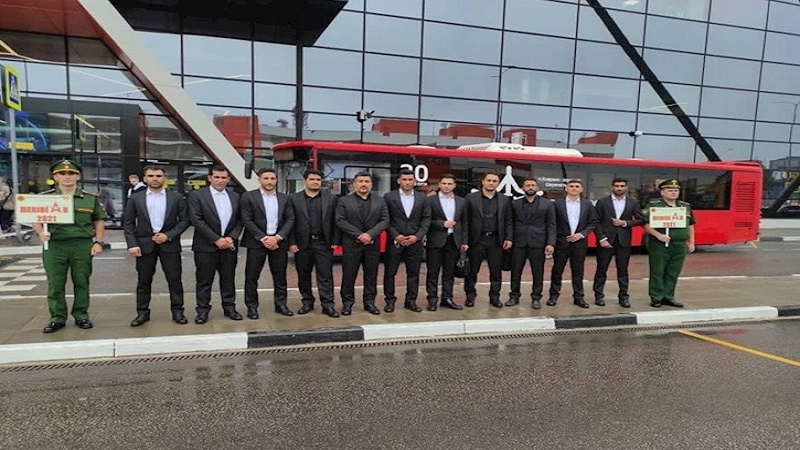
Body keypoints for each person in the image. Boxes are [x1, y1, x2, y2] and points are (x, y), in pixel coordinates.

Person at [32, 159, 107, 333]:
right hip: (55, 245)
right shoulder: (45, 198)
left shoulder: (90, 198)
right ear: (55, 177)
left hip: (81, 244)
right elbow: (35, 219)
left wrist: (98, 242)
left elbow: (99, 220)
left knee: (81, 281)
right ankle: (57, 318)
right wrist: (40, 232)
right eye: (62, 173)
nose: (67, 177)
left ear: (78, 176)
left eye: (72, 173)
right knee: (55, 283)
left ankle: (81, 315)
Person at [123, 165, 191, 326]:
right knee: (144, 281)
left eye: (158, 176)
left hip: (170, 245)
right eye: (151, 176)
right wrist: (132, 244)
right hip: (144, 245)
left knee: (174, 280)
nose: (155, 179)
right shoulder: (136, 198)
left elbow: (185, 220)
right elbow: (128, 222)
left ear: (164, 178)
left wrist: (169, 235)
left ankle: (178, 311)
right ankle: (142, 313)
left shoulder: (175, 197)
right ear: (145, 178)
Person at [188, 165, 243, 324]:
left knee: (228, 279)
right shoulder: (197, 195)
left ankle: (229, 308)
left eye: (223, 178)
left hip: (229, 246)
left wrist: (231, 237)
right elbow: (196, 220)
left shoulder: (235, 196)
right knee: (204, 280)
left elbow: (240, 220)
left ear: (228, 179)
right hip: (205, 246)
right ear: (210, 178)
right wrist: (216, 239)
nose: (220, 180)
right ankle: (202, 311)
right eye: (217, 177)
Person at [240, 167, 295, 319]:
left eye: (272, 178)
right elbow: (246, 219)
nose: (269, 182)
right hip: (256, 242)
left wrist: (277, 237)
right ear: (259, 180)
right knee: (252, 276)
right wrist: (264, 238)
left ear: (276, 180)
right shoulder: (248, 196)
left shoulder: (285, 198)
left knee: (280, 276)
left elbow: (290, 219)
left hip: (278, 242)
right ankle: (252, 307)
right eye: (266, 178)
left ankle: (281, 304)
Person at [288, 169, 341, 318]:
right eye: (312, 179)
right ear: (305, 181)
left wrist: (336, 241)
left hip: (323, 243)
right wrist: (291, 242)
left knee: (325, 275)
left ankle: (328, 305)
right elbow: (290, 221)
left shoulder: (331, 198)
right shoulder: (293, 198)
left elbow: (336, 221)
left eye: (318, 180)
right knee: (303, 275)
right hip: (302, 244)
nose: (315, 182)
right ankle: (307, 302)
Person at [335, 171, 389, 316]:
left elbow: (385, 220)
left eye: (367, 181)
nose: (364, 184)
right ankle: (347, 304)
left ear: (371, 184)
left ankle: (369, 303)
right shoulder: (343, 201)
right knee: (349, 275)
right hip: (351, 244)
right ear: (354, 184)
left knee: (371, 275)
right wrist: (359, 235)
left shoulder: (380, 201)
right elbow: (340, 220)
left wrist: (370, 234)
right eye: (360, 181)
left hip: (372, 244)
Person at [382, 169, 431, 313]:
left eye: (410, 180)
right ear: (399, 181)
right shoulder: (389, 197)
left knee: (413, 274)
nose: (407, 182)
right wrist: (395, 235)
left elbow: (426, 219)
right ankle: (389, 301)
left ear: (415, 181)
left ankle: (411, 301)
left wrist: (417, 236)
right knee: (390, 273)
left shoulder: (422, 198)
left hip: (415, 241)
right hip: (395, 241)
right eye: (404, 179)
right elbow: (385, 218)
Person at [592, 178, 644, 308]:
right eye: (616, 186)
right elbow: (595, 221)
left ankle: (623, 297)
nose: (619, 188)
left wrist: (625, 223)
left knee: (623, 271)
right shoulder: (602, 202)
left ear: (626, 188)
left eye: (622, 186)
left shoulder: (633, 202)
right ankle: (598, 296)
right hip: (605, 241)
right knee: (601, 269)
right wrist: (601, 238)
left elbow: (641, 219)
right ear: (612, 187)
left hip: (624, 241)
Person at [643, 179, 696, 308]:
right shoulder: (654, 206)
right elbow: (645, 224)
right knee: (658, 271)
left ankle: (668, 296)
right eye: (670, 190)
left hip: (679, 244)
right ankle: (656, 297)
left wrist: (691, 242)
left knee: (673, 272)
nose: (673, 192)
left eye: (676, 190)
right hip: (659, 245)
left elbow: (690, 225)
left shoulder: (685, 207)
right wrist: (659, 235)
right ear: (662, 192)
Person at [464, 171, 512, 308]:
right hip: (476, 240)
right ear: (483, 181)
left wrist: (508, 238)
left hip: (496, 240)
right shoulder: (471, 198)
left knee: (496, 272)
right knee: (472, 271)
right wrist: (465, 241)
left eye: (494, 181)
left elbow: (508, 221)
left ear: (498, 183)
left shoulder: (504, 199)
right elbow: (465, 221)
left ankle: (495, 297)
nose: (491, 183)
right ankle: (470, 297)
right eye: (489, 180)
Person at [506, 178, 556, 309]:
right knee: (516, 271)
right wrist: (509, 239)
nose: (530, 187)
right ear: (522, 188)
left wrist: (550, 243)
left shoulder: (547, 204)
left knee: (538, 272)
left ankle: (536, 298)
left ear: (537, 188)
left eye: (533, 185)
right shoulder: (515, 204)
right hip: (518, 242)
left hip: (538, 242)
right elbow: (510, 223)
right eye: (527, 185)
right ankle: (514, 296)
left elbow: (551, 224)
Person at [548, 179, 598, 308]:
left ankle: (579, 297)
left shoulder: (588, 204)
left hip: (579, 243)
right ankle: (553, 296)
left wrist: (581, 235)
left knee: (578, 271)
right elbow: (552, 224)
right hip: (561, 242)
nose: (574, 188)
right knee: (557, 270)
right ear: (566, 189)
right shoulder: (557, 204)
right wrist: (551, 242)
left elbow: (593, 222)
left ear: (581, 189)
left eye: (577, 186)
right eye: (571, 186)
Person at [424, 174, 468, 311]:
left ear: (454, 185)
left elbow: (465, 222)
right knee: (433, 272)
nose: (446, 186)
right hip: (435, 241)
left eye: (449, 183)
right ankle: (432, 300)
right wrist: (442, 224)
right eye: (444, 183)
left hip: (454, 241)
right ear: (439, 185)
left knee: (449, 273)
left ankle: (447, 298)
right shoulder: (430, 200)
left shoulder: (461, 201)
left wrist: (464, 241)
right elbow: (426, 221)